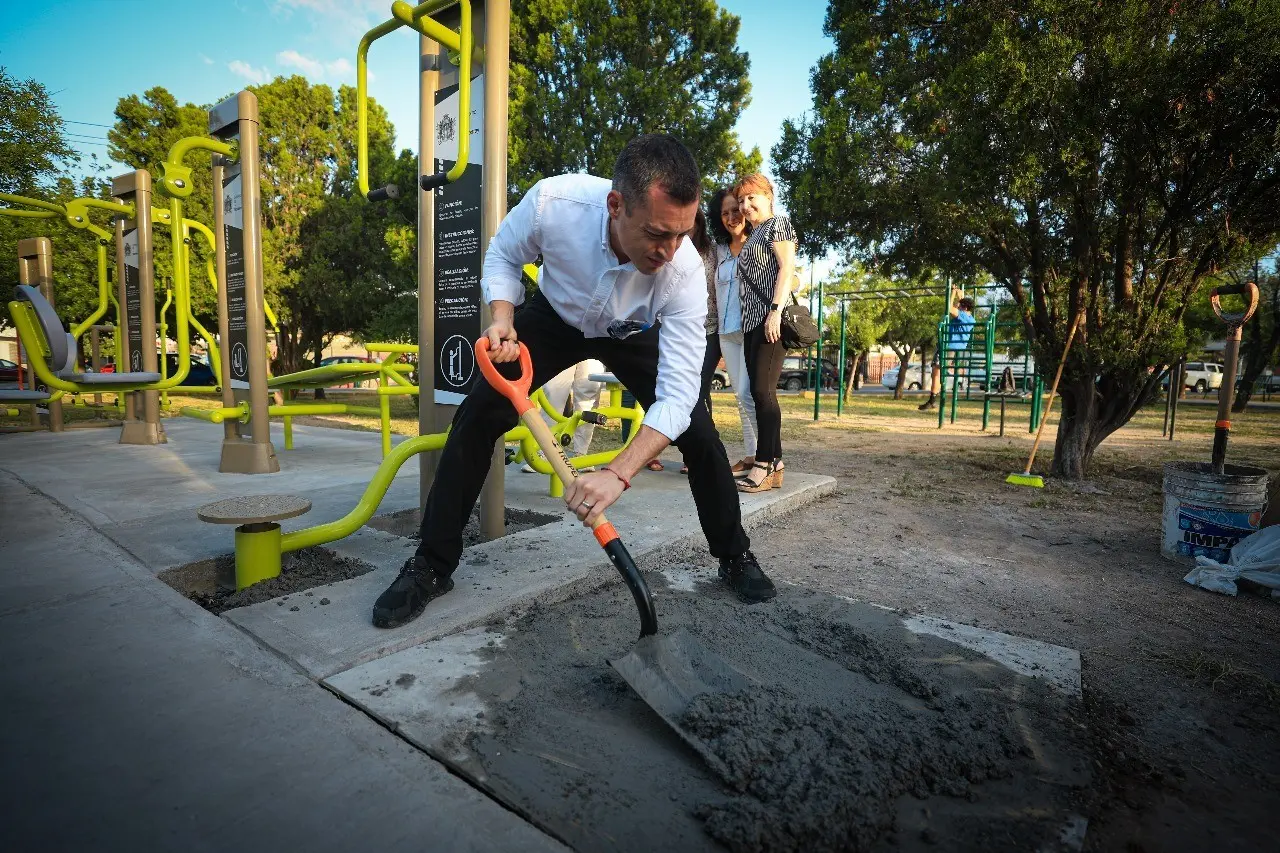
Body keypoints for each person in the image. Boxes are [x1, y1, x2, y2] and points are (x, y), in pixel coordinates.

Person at [371, 134, 777, 629]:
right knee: (479, 414)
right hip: (555, 317)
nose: (669, 251)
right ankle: (431, 566)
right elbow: (501, 255)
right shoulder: (553, 203)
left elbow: (675, 395)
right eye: (655, 234)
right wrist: (503, 317)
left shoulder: (685, 270)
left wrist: (617, 471)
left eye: (681, 234)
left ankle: (735, 556)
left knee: (698, 430)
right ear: (615, 205)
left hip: (633, 331)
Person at [731, 173, 795, 493]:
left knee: (763, 392)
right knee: (758, 394)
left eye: (751, 197)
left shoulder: (777, 224)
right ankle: (776, 463)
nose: (745, 205)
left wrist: (775, 311)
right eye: (741, 200)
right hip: (752, 323)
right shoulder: (753, 235)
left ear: (769, 196)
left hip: (771, 319)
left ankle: (763, 463)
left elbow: (787, 267)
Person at [708, 188, 758, 475]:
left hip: (754, 329)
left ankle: (767, 457)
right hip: (726, 331)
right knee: (740, 395)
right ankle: (752, 456)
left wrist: (794, 283)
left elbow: (790, 273)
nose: (730, 217)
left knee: (754, 393)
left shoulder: (760, 242)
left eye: (734, 211)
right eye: (724, 213)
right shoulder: (719, 250)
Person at [523, 359, 606, 472]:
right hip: (562, 345)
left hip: (594, 344)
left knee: (588, 397)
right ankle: (545, 452)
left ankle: (581, 454)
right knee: (553, 394)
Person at [918, 287, 975, 412]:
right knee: (937, 372)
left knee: (936, 372)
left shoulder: (963, 316)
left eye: (959, 305)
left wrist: (953, 292)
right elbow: (959, 307)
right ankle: (951, 371)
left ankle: (932, 400)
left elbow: (949, 308)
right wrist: (961, 297)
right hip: (954, 348)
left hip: (949, 346)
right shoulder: (970, 318)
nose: (957, 306)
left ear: (964, 308)